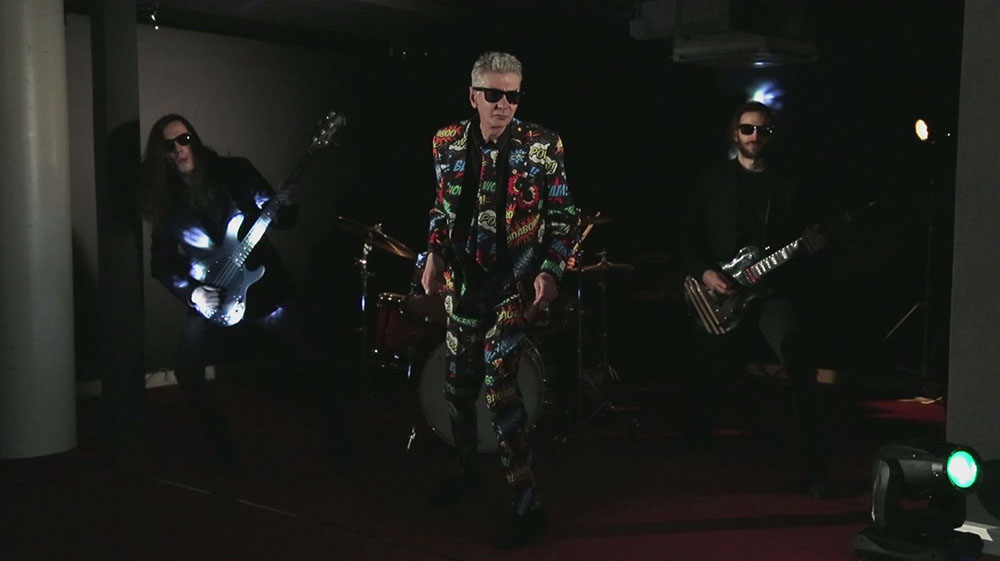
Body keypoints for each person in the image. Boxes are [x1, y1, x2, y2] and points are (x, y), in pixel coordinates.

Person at [421, 52, 578, 549]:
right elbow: (441, 207)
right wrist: (433, 253)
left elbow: (564, 219)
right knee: (456, 386)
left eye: (513, 95)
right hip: (463, 284)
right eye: (494, 94)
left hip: (513, 282)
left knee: (500, 388)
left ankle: (528, 506)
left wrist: (550, 272)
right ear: (474, 96)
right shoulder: (446, 141)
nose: (504, 104)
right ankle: (466, 472)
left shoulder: (542, 145)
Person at [139, 114, 345, 471]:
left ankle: (339, 442)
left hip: (261, 285)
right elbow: (162, 263)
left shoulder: (234, 171)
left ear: (194, 139)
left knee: (312, 355)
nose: (178, 149)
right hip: (213, 292)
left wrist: (281, 206)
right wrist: (194, 294)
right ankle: (222, 447)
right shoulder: (166, 203)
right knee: (187, 368)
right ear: (160, 155)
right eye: (168, 146)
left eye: (183, 139)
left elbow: (279, 218)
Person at [675, 101, 835, 498]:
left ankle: (817, 469)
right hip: (723, 293)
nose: (754, 137)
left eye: (763, 130)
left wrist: (817, 243)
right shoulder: (712, 181)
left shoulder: (790, 185)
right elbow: (685, 235)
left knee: (798, 361)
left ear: (772, 136)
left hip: (772, 292)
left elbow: (813, 234)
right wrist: (705, 272)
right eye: (747, 129)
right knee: (704, 372)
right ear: (735, 133)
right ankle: (692, 457)